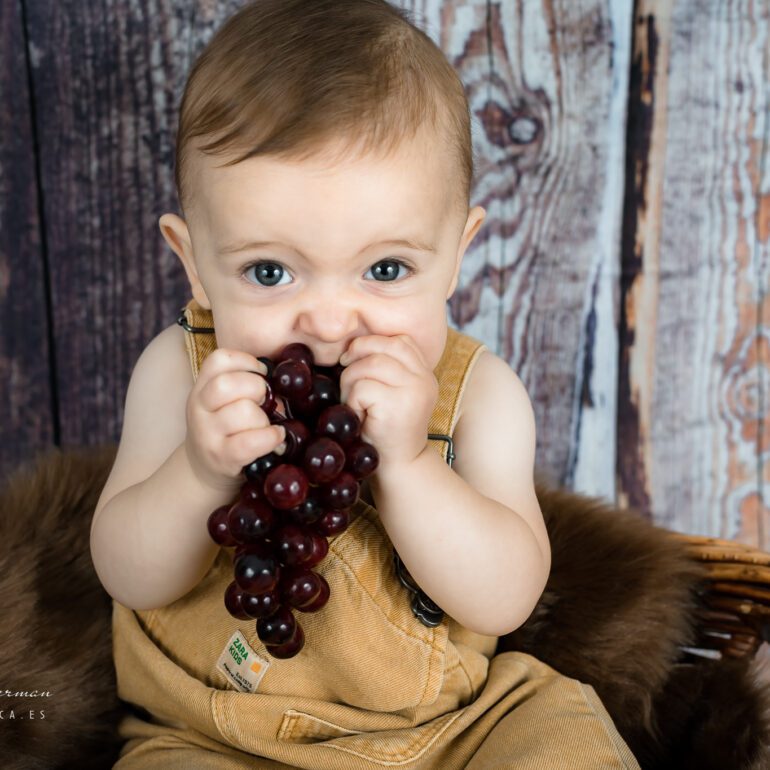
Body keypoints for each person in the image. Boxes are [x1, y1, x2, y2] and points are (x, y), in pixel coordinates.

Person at [90, 1, 640, 767]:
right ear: (196, 265)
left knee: (561, 738)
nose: (328, 321)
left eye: (385, 269)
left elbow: (506, 598)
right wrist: (197, 471)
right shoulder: (181, 371)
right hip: (214, 731)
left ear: (456, 254)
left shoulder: (481, 395)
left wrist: (409, 465)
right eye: (269, 272)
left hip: (448, 731)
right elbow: (127, 573)